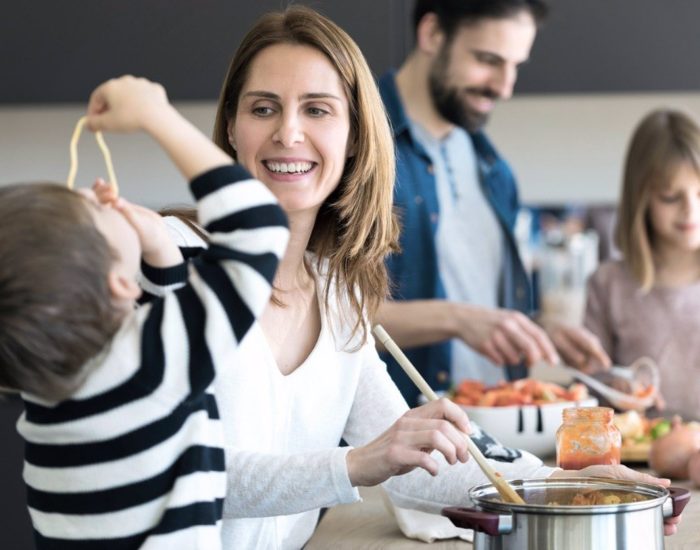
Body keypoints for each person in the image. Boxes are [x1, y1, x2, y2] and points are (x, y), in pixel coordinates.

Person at [156, 6, 680, 548]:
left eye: (317, 110)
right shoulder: (173, 261)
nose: (289, 132)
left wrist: (563, 486)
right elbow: (170, 468)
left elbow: (415, 460)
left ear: (355, 137)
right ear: (233, 130)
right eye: (263, 108)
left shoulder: (338, 297)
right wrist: (356, 464)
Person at [0, 76, 289, 549]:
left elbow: (153, 351)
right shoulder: (149, 367)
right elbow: (258, 227)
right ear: (118, 286)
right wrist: (158, 115)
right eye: (93, 213)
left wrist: (156, 249)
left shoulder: (51, 388)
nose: (98, 193)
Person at [375, 0, 611, 406]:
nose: (504, 87)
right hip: (401, 444)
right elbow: (326, 320)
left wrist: (538, 328)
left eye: (515, 66)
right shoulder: (355, 147)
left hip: (491, 439)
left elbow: (483, 308)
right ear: (432, 34)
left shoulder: (494, 170)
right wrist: (458, 320)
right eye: (488, 60)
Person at [584, 108, 700, 420]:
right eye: (670, 197)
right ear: (641, 200)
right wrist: (613, 386)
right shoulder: (609, 284)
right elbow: (587, 382)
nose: (691, 210)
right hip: (639, 458)